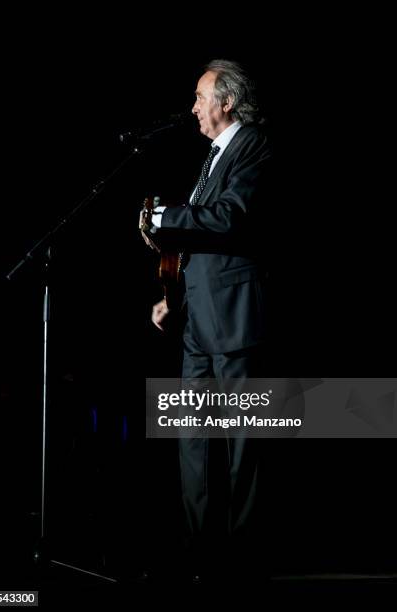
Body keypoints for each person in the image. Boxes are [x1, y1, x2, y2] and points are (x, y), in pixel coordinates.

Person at [142, 59, 272, 584]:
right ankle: (200, 555)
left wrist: (164, 217)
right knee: (191, 439)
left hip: (236, 319)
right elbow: (197, 243)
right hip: (196, 319)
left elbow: (229, 217)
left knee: (242, 446)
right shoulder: (212, 156)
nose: (193, 107)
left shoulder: (254, 146)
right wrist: (170, 296)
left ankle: (242, 560)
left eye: (200, 97)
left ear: (227, 102)